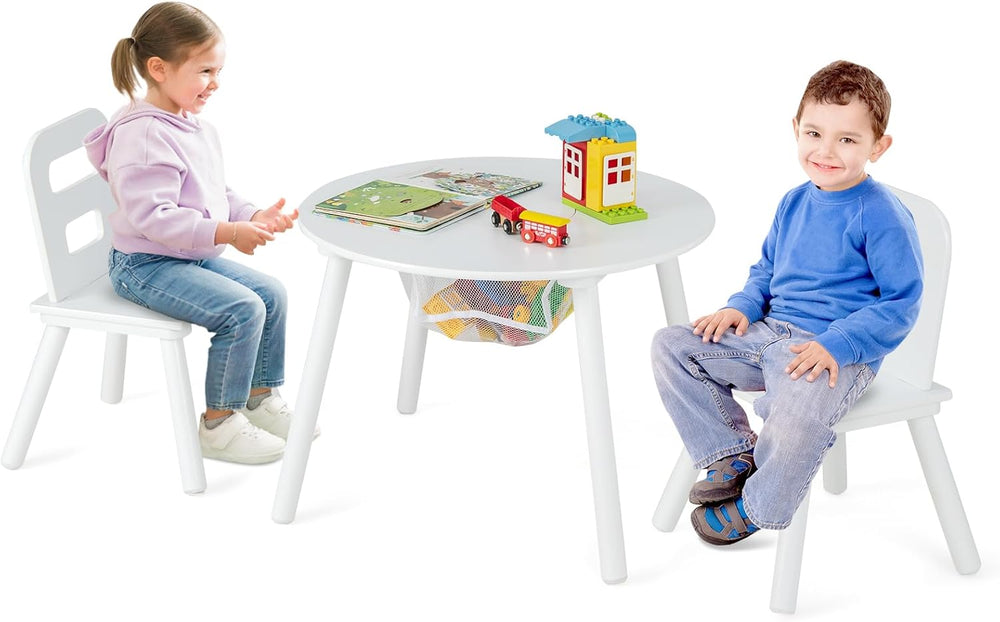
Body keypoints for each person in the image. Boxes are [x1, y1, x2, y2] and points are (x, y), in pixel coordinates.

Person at [650, 60, 923, 544]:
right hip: (770, 335)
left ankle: (759, 504)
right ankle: (731, 451)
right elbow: (767, 272)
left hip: (834, 351)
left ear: (878, 147)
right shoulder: (794, 201)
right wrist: (741, 307)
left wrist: (837, 344)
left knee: (798, 412)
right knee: (671, 346)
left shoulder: (881, 214)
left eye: (847, 139)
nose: (825, 151)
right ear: (796, 128)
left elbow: (901, 303)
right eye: (814, 133)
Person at [84, 2, 304, 464]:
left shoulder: (189, 124)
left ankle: (258, 397)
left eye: (218, 71)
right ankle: (219, 425)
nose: (215, 83)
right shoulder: (145, 136)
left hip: (184, 253)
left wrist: (252, 214)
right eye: (204, 71)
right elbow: (155, 218)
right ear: (158, 68)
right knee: (242, 310)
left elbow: (212, 190)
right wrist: (227, 231)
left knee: (272, 295)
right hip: (144, 264)